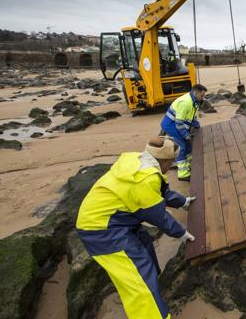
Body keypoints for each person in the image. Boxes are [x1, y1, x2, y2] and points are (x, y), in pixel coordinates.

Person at [76, 136, 196, 319]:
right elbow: (158, 215)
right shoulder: (145, 179)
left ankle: (154, 286)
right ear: (164, 160)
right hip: (101, 229)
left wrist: (183, 202)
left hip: (114, 219)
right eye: (170, 162)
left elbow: (161, 193)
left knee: (144, 242)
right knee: (139, 279)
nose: (170, 166)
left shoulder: (139, 161)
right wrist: (182, 233)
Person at [160, 84, 207, 181]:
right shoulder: (185, 102)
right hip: (171, 125)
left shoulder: (194, 101)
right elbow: (179, 122)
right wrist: (186, 135)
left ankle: (189, 165)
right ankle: (183, 174)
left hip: (176, 124)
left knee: (188, 145)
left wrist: (197, 126)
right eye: (202, 95)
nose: (203, 97)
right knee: (182, 146)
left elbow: (192, 116)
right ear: (196, 93)